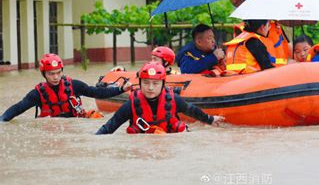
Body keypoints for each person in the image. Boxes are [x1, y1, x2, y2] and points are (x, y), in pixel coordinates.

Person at [96, 62, 225, 134]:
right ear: (140, 83)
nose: (150, 88)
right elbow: (109, 127)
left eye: (155, 83)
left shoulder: (174, 100)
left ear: (163, 84)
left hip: (169, 149)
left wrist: (210, 119)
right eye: (146, 83)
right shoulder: (131, 105)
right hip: (144, 151)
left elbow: (192, 111)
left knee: (182, 129)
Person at [0, 53, 132, 122]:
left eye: (58, 73)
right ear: (44, 74)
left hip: (75, 122)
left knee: (95, 117)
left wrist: (121, 89)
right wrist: (3, 119)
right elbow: (18, 108)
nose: (56, 77)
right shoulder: (37, 94)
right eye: (51, 74)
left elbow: (96, 92)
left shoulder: (74, 85)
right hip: (52, 128)